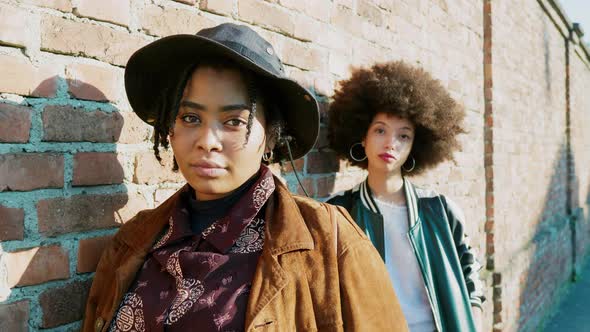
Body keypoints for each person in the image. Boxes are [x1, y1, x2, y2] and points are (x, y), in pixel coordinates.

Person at [82, 23, 408, 332]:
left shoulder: (332, 243)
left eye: (235, 121)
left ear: (270, 137)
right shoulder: (132, 241)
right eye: (190, 117)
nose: (207, 140)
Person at [327, 61, 486, 332]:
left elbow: (470, 273)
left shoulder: (439, 209)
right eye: (380, 130)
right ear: (362, 137)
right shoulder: (339, 212)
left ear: (415, 146)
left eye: (404, 136)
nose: (391, 143)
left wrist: (474, 321)